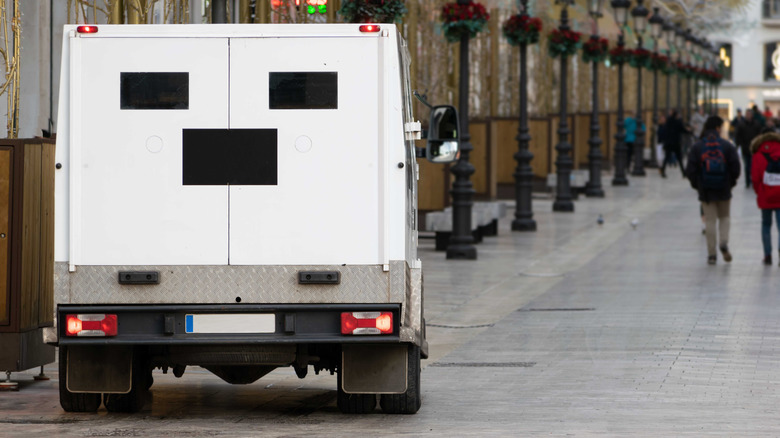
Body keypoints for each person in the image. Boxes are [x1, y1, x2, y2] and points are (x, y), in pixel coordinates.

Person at [685, 116, 741, 265]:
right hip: (724, 188)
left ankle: (711, 255)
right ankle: (723, 243)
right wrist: (730, 183)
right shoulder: (727, 146)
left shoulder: (697, 147)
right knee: (724, 218)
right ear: (717, 128)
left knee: (710, 221)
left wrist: (698, 185)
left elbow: (690, 170)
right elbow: (736, 167)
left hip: (706, 191)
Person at [750, 128, 780, 265]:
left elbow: (755, 178)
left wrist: (759, 192)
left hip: (765, 195)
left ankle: (767, 255)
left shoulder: (757, 153)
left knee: (766, 225)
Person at [735, 109, 762, 188]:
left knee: (753, 165)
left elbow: (759, 135)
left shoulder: (756, 124)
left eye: (749, 114)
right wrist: (738, 145)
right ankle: (747, 181)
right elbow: (737, 135)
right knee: (747, 165)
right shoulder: (741, 124)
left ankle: (753, 180)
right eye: (747, 114)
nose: (748, 115)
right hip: (745, 148)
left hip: (754, 148)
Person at [662, 110, 686, 178]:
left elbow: (665, 131)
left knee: (666, 158)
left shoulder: (668, 121)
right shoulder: (677, 122)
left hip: (669, 143)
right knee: (679, 159)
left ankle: (663, 171)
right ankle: (683, 173)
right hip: (676, 143)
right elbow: (682, 129)